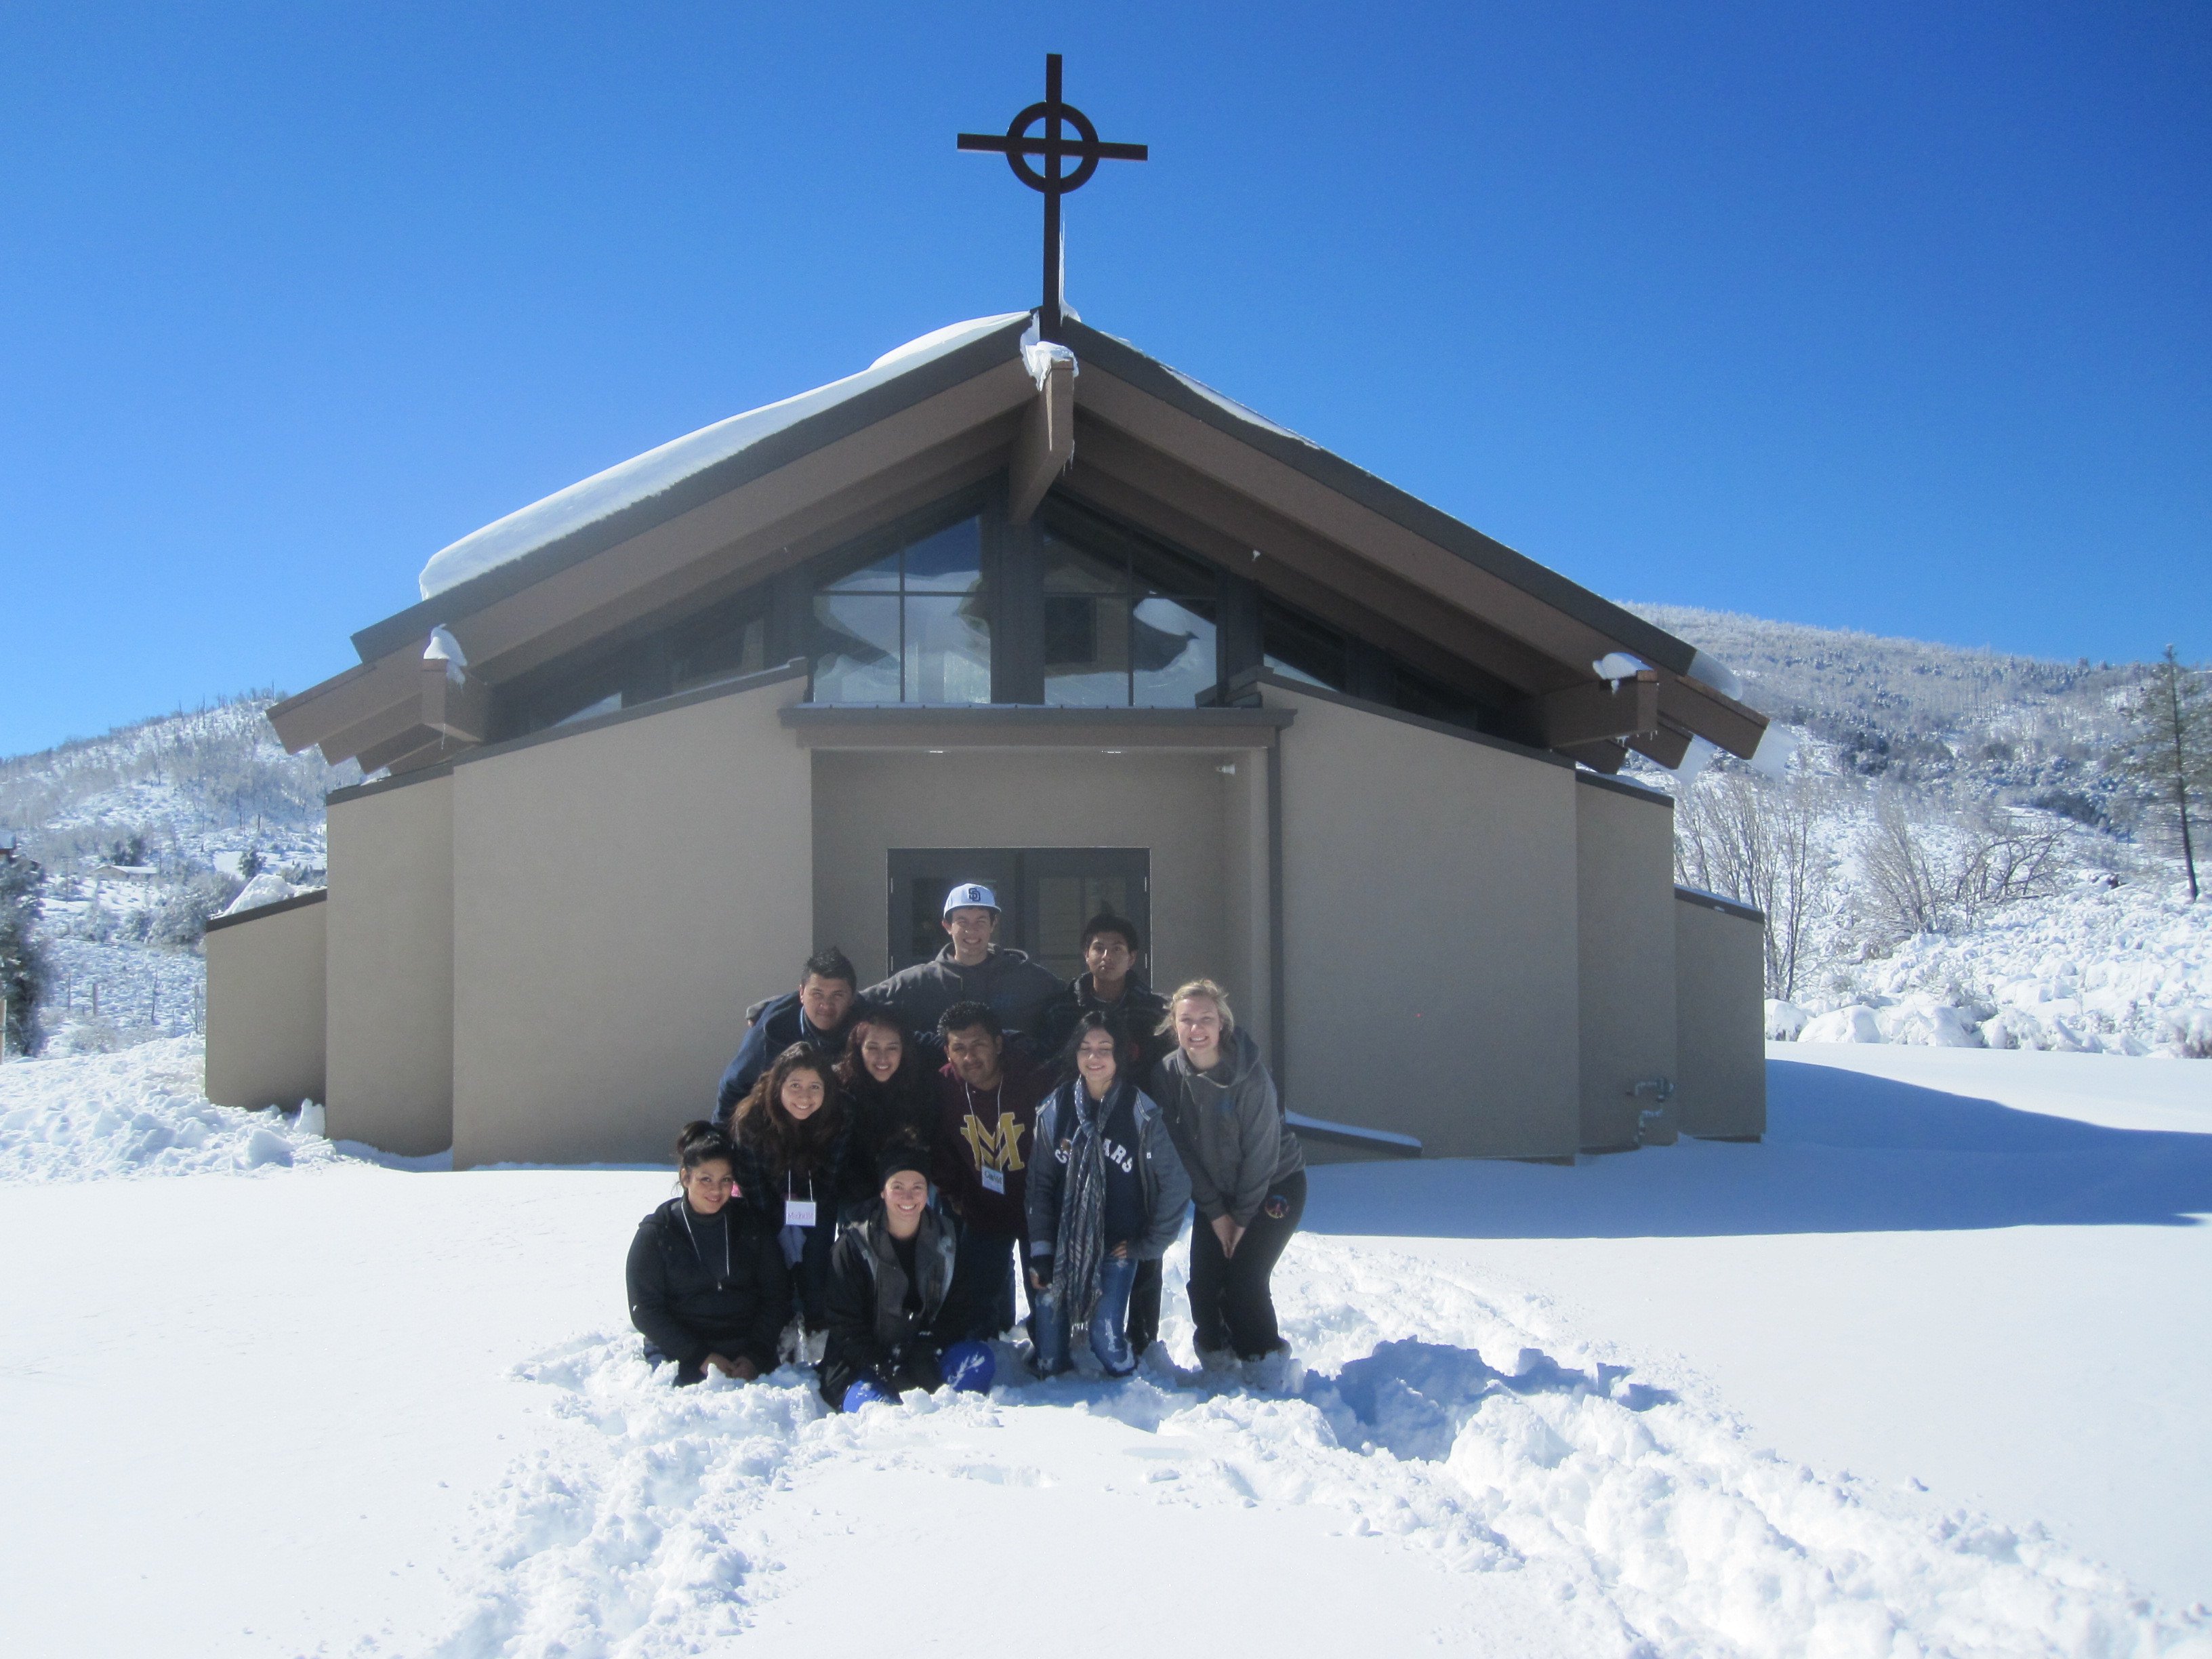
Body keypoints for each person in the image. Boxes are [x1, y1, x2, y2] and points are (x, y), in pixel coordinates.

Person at [1025, 913, 1174, 1353]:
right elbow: (1047, 1064)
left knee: (1135, 1232)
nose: (1106, 957)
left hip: (1136, 1132)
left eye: (1116, 949)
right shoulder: (1059, 1008)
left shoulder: (1155, 1011)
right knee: (1070, 1226)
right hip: (1077, 1130)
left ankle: (1141, 1337)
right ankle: (1057, 1331)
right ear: (1085, 954)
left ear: (1133, 957)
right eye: (1098, 947)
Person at [1150, 979, 1306, 1370]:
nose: (1196, 1029)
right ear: (1174, 1025)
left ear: (1223, 1025)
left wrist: (1241, 1219)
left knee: (1244, 1283)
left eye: (1206, 1019)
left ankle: (1265, 1363)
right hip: (1215, 1194)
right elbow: (1180, 1149)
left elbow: (1262, 1154)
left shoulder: (1249, 1077)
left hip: (1274, 1185)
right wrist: (1217, 1214)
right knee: (1203, 1286)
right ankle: (1218, 1360)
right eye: (1187, 1020)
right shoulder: (1167, 1074)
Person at [1026, 1012, 1191, 1378]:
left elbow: (1177, 1184)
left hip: (1117, 1245)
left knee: (1107, 1343)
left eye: (1104, 1048)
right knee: (1049, 1359)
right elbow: (1039, 1185)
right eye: (1085, 1048)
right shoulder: (1056, 1108)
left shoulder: (1139, 1111)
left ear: (1121, 1055)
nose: (1094, 1057)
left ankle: (1128, 1390)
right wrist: (1040, 1251)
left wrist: (1148, 1245)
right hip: (1062, 1246)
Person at [819, 1151, 996, 1412]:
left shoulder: (946, 1240)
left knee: (980, 1361)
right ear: (883, 1192)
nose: (908, 1197)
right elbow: (844, 1325)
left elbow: (959, 1309)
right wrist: (883, 1364)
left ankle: (947, 1418)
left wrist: (928, 1348)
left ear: (928, 1192)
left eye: (917, 1187)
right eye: (897, 1187)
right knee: (879, 1412)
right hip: (865, 1363)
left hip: (925, 1356)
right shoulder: (852, 1247)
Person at [626, 1121, 791, 1386]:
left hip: (746, 1351)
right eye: (706, 1179)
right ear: (685, 1177)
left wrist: (755, 1354)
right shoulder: (657, 1233)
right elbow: (645, 1308)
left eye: (725, 1180)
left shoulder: (751, 1225)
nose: (716, 1190)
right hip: (680, 1351)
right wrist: (700, 1356)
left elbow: (776, 1294)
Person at [930, 999, 1048, 1344]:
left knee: (1047, 1305)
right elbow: (939, 1149)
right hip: (983, 1208)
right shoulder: (944, 1087)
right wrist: (956, 1197)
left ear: (998, 1043)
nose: (970, 1057)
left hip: (1037, 1211)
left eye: (979, 1045)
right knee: (975, 1310)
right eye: (959, 1048)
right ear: (948, 1052)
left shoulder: (1033, 1077)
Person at [729, 1044, 848, 1345]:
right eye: (795, 1086)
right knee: (772, 1258)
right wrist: (781, 1222)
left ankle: (817, 1321)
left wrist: (805, 1220)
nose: (805, 1097)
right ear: (778, 1085)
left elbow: (829, 1179)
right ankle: (778, 1321)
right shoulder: (752, 1120)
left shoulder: (840, 1115)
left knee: (816, 1254)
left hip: (815, 1196)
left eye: (814, 1087)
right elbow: (753, 1185)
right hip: (765, 1199)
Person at [861, 884, 1061, 1042]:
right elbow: (856, 1005)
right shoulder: (918, 981)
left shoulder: (1030, 979)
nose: (971, 930)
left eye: (981, 921)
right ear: (947, 926)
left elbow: (1076, 1005)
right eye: (962, 922)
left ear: (993, 925)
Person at [714, 947, 859, 1128]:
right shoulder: (771, 1030)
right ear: (801, 993)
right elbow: (734, 1087)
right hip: (777, 1131)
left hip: (838, 1132)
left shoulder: (866, 1029)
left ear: (852, 997)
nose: (826, 1005)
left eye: (837, 996)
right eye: (817, 994)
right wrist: (720, 1146)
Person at [834, 1004, 940, 1221]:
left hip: (906, 1190)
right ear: (858, 1048)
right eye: (873, 1048)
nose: (882, 1058)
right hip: (855, 1192)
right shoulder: (838, 1086)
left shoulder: (921, 1085)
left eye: (892, 1048)